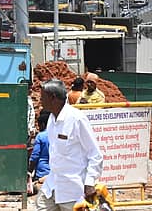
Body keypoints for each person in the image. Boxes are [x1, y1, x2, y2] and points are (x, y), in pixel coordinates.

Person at [37, 79, 104, 210]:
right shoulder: (51, 119)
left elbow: (95, 154)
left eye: (43, 97)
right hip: (53, 185)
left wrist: (90, 182)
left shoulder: (76, 119)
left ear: (53, 98)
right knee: (41, 205)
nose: (40, 100)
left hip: (73, 190)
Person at [29, 111, 51, 184]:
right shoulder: (56, 135)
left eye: (39, 125)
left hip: (42, 173)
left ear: (43, 124)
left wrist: (29, 172)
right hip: (54, 173)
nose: (38, 128)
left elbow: (35, 156)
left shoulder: (40, 136)